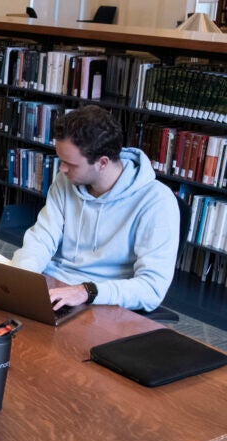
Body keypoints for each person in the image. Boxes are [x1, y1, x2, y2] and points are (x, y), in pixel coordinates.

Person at [11, 104, 179, 312]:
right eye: (60, 160)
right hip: (56, 289)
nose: (61, 169)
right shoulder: (66, 182)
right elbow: (41, 239)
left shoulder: (156, 201)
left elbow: (152, 289)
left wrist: (86, 291)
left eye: (70, 164)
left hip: (104, 301)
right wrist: (21, 279)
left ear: (102, 162)